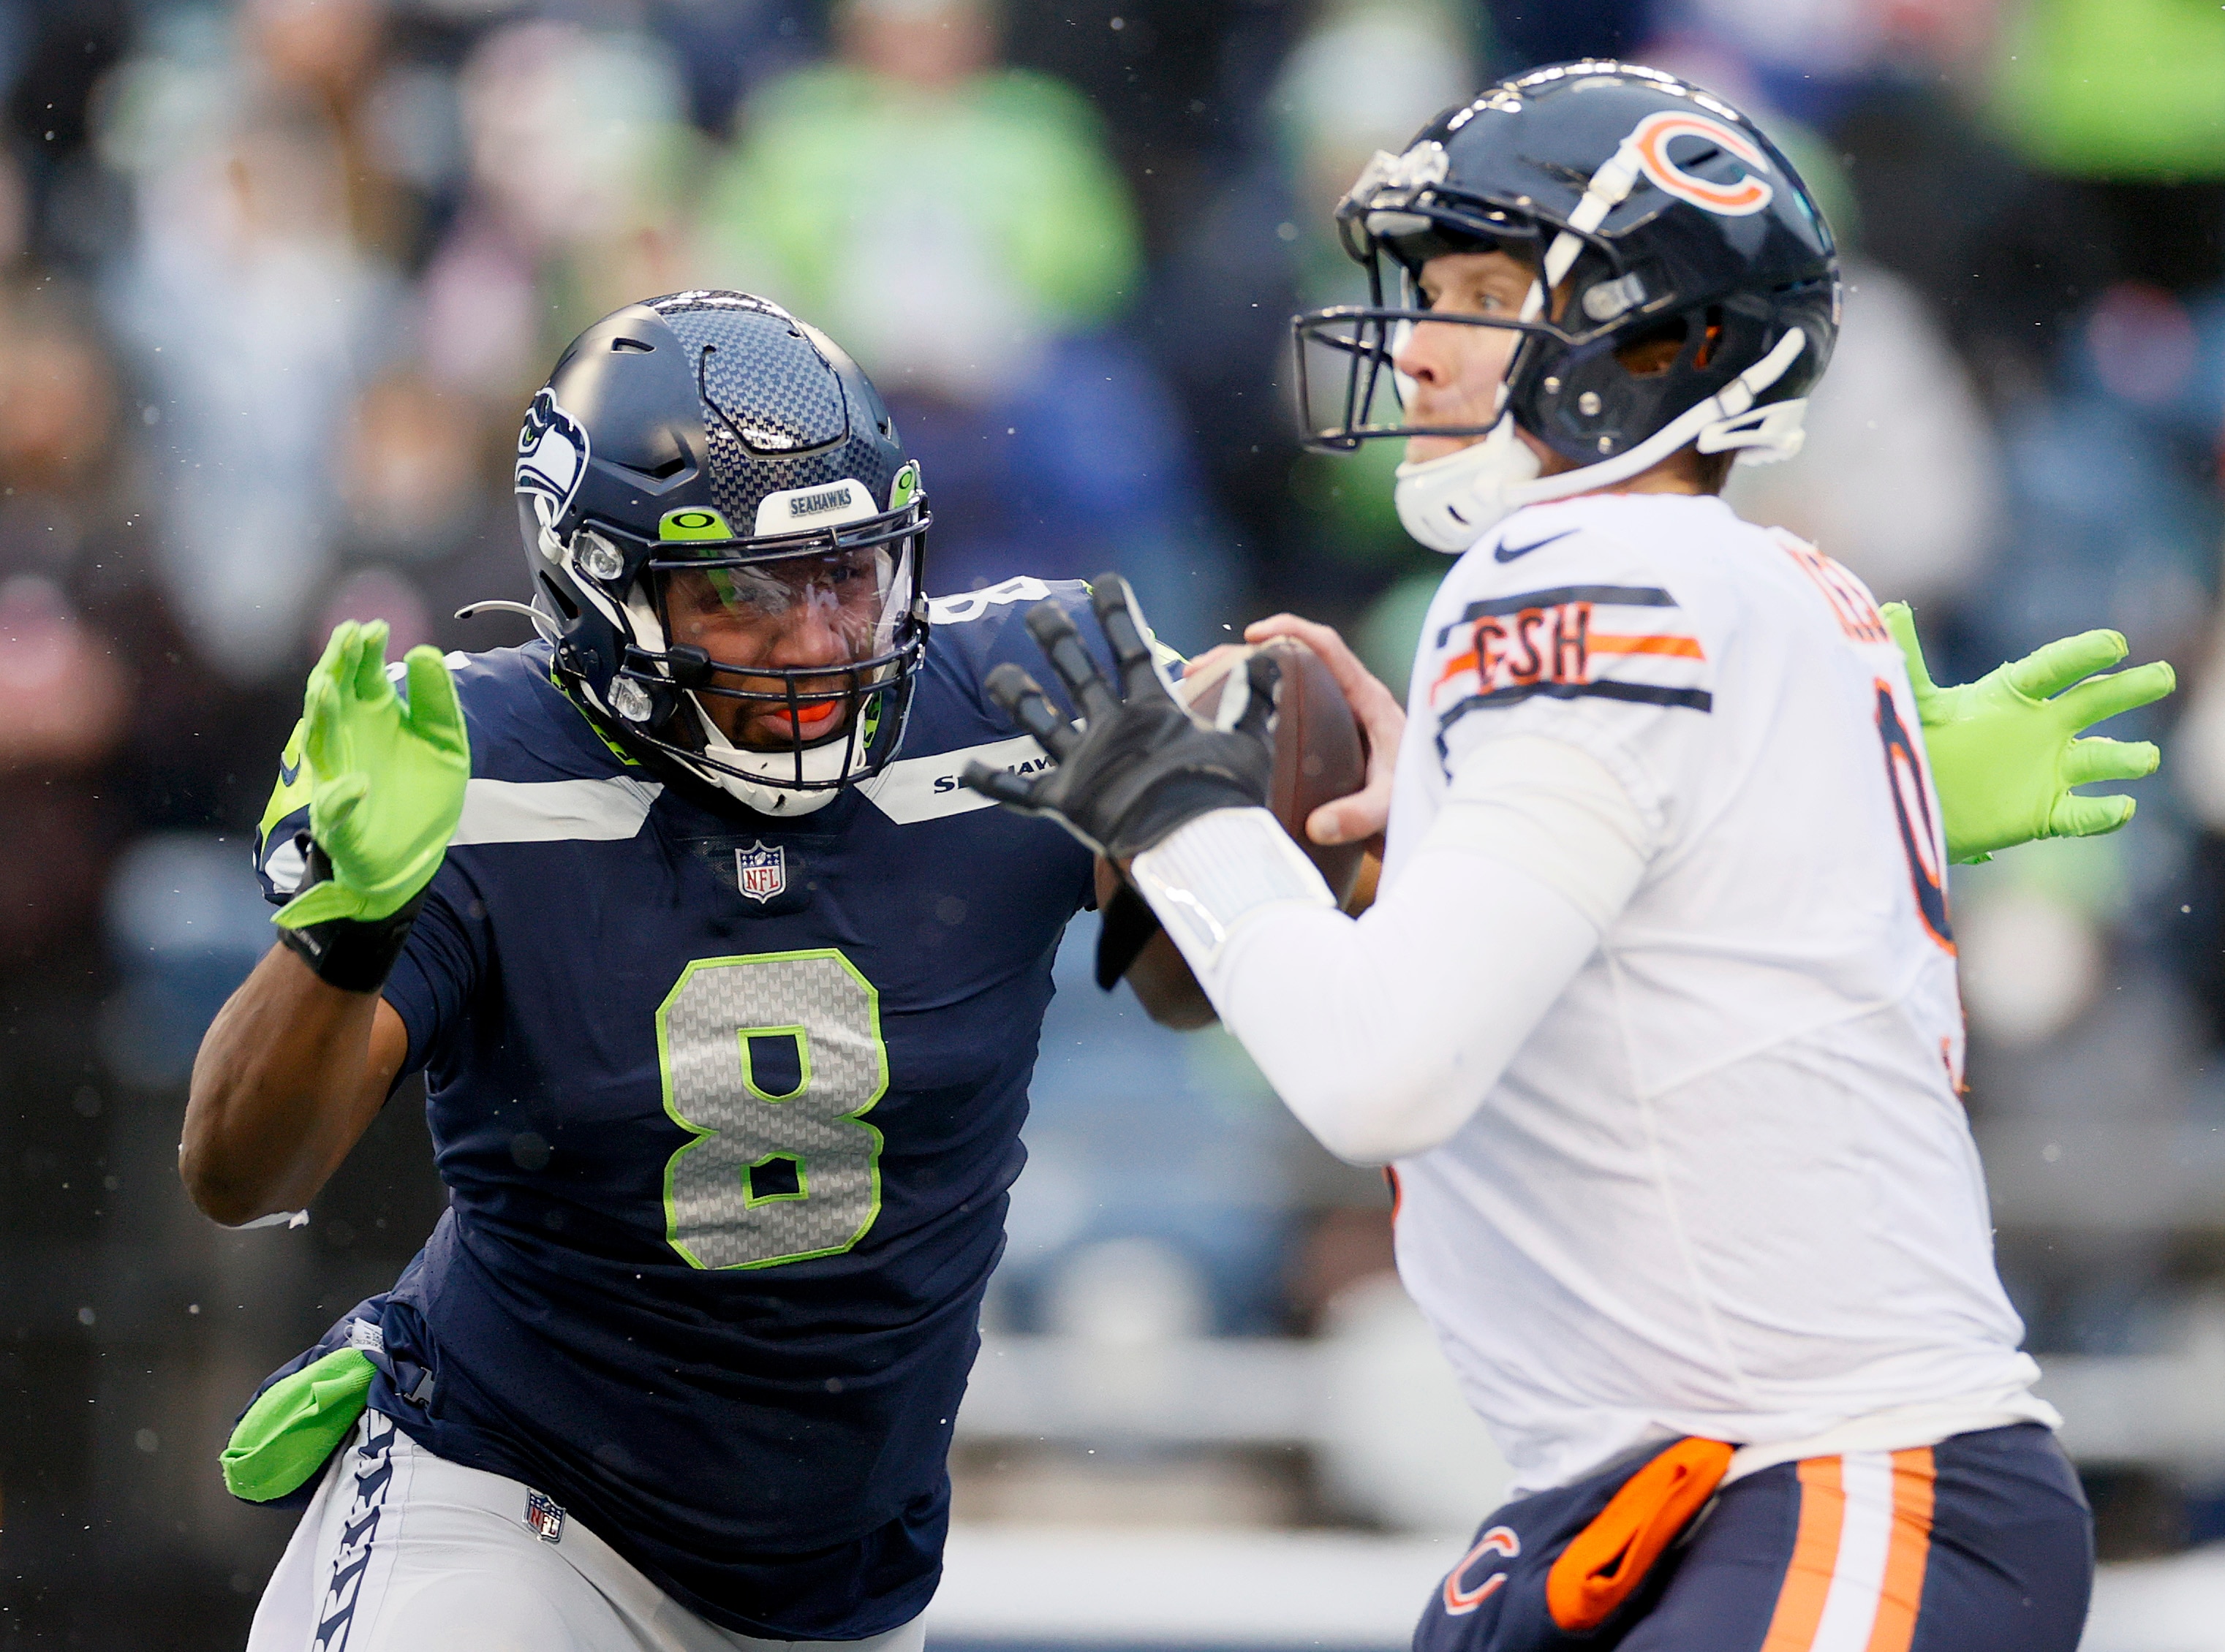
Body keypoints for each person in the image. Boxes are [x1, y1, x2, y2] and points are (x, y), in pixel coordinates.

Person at [964, 63, 2175, 1652]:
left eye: (1479, 293)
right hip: (1665, 1490)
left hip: (1812, 1471)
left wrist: (1171, 809)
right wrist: (1433, 823)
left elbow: (1384, 1075)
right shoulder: (1762, 575)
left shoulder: (1577, 568)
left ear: (1659, 337)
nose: (1419, 341)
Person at [182, 288, 1266, 1651]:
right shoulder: (471, 765)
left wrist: (1226, 825)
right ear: (597, 589)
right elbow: (242, 1176)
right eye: (743, 590)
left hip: (844, 1589)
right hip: (517, 1510)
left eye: (846, 572)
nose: (816, 640)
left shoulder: (1025, 686)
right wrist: (337, 937)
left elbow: (1185, 988)